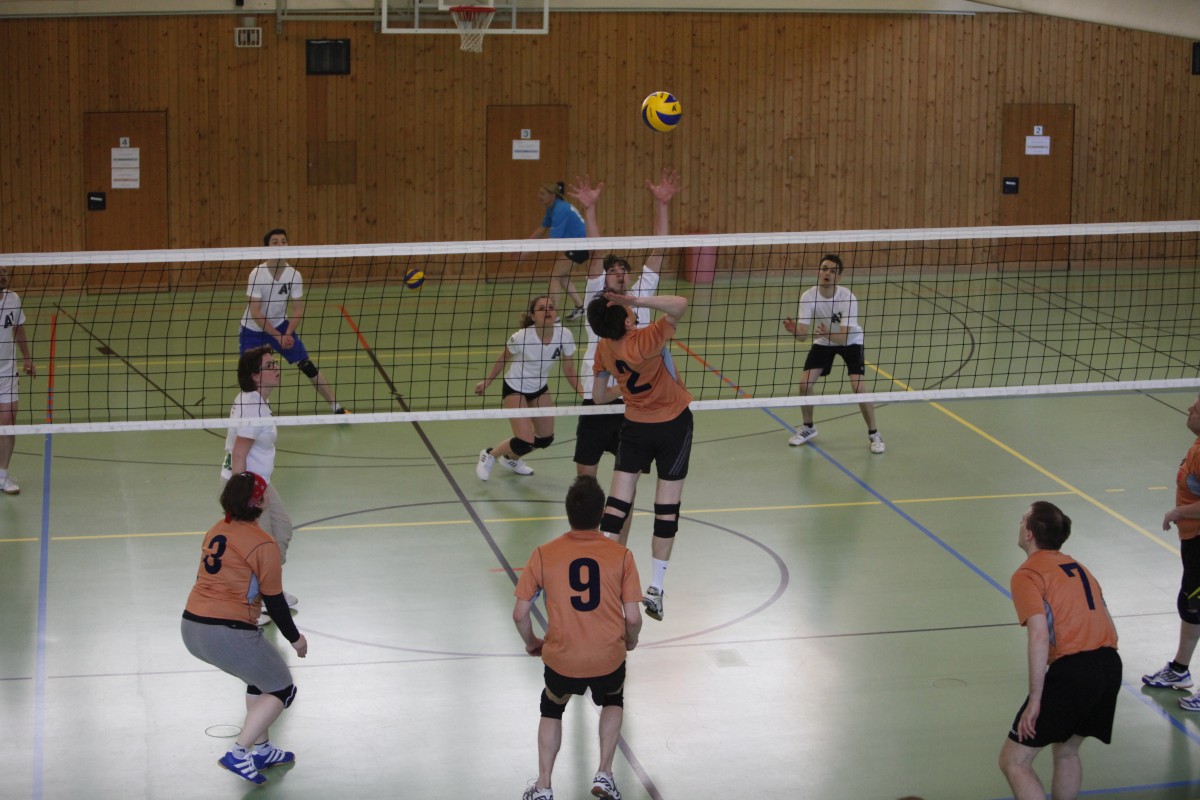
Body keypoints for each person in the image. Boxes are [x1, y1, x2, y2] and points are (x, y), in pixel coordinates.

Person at [513, 475, 643, 800]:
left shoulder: (544, 554)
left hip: (562, 659)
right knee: (613, 698)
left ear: (568, 512)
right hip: (607, 658)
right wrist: (629, 641)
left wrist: (532, 643)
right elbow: (633, 618)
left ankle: (544, 786)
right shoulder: (621, 556)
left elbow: (519, 613)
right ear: (602, 514)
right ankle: (604, 774)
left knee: (552, 707)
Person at [569, 168, 681, 545]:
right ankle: (587, 541)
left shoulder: (642, 293)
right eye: (612, 270)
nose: (617, 274)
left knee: (625, 487)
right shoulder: (596, 296)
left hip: (637, 405)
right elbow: (597, 252)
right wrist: (590, 210)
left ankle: (617, 548)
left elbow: (659, 249)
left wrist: (662, 204)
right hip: (597, 398)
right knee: (585, 480)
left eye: (622, 271)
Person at [181, 471, 308, 786]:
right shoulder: (263, 544)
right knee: (281, 688)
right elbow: (274, 600)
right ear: (261, 502)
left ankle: (263, 750)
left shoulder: (216, 530)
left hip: (192, 626)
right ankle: (239, 752)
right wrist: (295, 638)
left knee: (259, 680)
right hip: (226, 631)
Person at [998, 501, 1121, 800]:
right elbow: (1109, 624)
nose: (1019, 525)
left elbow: (1039, 636)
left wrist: (1035, 700)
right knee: (1066, 751)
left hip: (1074, 672)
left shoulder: (1027, 574)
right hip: (1110, 665)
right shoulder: (1079, 567)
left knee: (1014, 761)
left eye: (1022, 520)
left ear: (1029, 534)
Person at [588, 291, 692, 621]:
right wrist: (636, 300)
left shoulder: (604, 348)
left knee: (616, 507)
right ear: (626, 320)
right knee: (666, 509)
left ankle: (601, 576)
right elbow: (680, 304)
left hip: (635, 427)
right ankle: (656, 588)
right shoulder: (646, 340)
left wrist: (624, 384)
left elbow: (598, 397)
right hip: (673, 426)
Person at [221, 345, 297, 620]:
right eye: (269, 366)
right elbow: (239, 454)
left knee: (282, 530)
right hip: (245, 485)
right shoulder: (253, 407)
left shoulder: (257, 401)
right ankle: (255, 602)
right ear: (255, 376)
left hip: (260, 482)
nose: (276, 369)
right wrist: (243, 500)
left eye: (275, 364)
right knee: (259, 547)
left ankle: (269, 590)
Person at [238, 228, 348, 414]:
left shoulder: (294, 275)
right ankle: (255, 411)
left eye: (283, 241)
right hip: (253, 329)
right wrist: (278, 337)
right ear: (266, 247)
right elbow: (255, 312)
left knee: (307, 366)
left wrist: (287, 334)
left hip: (281, 326)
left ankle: (336, 407)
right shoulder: (257, 274)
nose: (280, 245)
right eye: (275, 242)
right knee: (250, 374)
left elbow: (298, 310)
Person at [783, 254, 885, 454]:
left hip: (851, 341)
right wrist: (795, 331)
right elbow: (803, 336)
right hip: (824, 340)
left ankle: (874, 433)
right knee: (804, 383)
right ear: (818, 272)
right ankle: (808, 427)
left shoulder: (848, 298)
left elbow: (845, 338)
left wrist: (828, 333)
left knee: (858, 386)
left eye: (832, 271)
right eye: (824, 269)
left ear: (839, 277)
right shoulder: (808, 296)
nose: (827, 273)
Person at [475, 296, 581, 480]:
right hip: (515, 387)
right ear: (533, 316)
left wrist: (583, 391)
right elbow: (502, 359)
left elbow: (569, 368)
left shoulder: (565, 335)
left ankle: (511, 459)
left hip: (539, 387)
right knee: (525, 440)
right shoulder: (521, 337)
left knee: (545, 439)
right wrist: (487, 381)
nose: (547, 311)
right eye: (541, 308)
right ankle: (490, 454)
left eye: (551, 307)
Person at [1142, 393, 1200, 709]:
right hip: (1193, 541)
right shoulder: (1197, 446)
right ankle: (1179, 669)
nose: (1190, 409)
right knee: (1190, 605)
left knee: (1196, 606)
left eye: (1197, 408)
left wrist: (1178, 512)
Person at [527, 182, 590, 322]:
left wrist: (528, 252)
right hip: (577, 245)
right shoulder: (552, 208)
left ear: (553, 195)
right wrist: (524, 247)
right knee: (560, 275)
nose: (539, 196)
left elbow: (554, 241)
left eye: (542, 194)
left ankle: (553, 314)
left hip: (581, 245)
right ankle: (580, 307)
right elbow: (541, 229)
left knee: (554, 275)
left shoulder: (560, 209)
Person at [0, 265, 35, 495]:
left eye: (5, 272)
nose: (3, 276)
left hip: (7, 373)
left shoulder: (13, 299)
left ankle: (2, 476)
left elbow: (18, 329)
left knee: (8, 423)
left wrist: (27, 358)